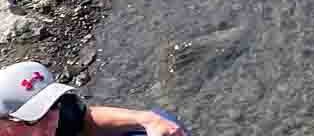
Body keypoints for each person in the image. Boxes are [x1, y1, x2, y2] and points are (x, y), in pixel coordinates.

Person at [0, 59, 180, 136]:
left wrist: (147, 120)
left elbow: (86, 120)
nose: (51, 122)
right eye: (34, 117)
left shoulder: (55, 116)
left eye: (53, 105)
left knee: (164, 124)